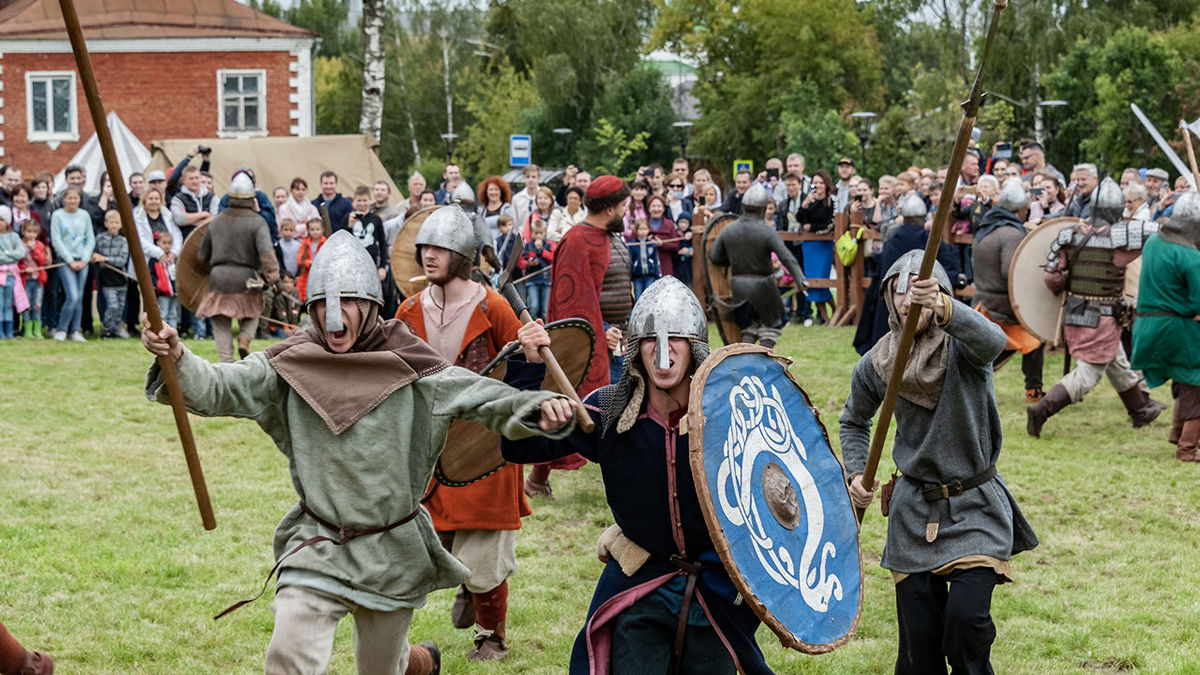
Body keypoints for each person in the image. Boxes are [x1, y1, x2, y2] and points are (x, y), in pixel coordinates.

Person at [141, 228, 577, 675]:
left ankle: (419, 665)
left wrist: (536, 405)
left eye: (348, 301)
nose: (335, 316)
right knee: (289, 653)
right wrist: (176, 358)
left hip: (392, 550)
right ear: (310, 308)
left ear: (369, 305)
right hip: (318, 543)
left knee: (381, 667)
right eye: (324, 304)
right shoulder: (290, 363)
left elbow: (483, 396)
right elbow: (219, 386)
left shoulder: (413, 364)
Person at [501, 277, 770, 674]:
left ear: (695, 347)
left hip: (715, 590)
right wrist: (528, 370)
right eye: (651, 340)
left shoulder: (730, 415)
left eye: (676, 338)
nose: (663, 351)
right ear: (635, 349)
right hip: (640, 581)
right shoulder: (608, 412)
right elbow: (518, 447)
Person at [841, 251, 1039, 675]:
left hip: (975, 506)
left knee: (967, 623)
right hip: (912, 510)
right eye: (901, 290)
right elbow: (854, 421)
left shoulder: (965, 349)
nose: (909, 298)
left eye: (922, 290)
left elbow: (994, 341)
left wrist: (947, 309)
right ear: (889, 298)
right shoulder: (879, 361)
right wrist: (857, 472)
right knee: (919, 648)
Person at [395, 206, 534, 661]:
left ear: (463, 255)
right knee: (427, 539)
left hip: (484, 444)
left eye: (440, 248)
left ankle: (490, 636)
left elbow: (527, 368)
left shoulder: (492, 306)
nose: (429, 256)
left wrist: (534, 346)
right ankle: (465, 587)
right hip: (430, 447)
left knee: (486, 549)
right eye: (425, 248)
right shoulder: (409, 309)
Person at [1027, 178, 1167, 437]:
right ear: (1117, 210)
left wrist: (1065, 282)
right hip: (1102, 317)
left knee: (1117, 361)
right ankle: (1042, 410)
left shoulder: (1069, 234)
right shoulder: (1120, 234)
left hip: (1076, 312)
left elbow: (1050, 276)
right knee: (1089, 373)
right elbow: (1158, 230)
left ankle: (1139, 411)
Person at [532, 175, 633, 497]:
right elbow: (574, 302)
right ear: (608, 209)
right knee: (574, 407)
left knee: (611, 407)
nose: (626, 213)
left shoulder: (608, 234)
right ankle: (537, 479)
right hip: (594, 340)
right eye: (623, 207)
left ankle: (538, 480)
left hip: (619, 335)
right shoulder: (577, 240)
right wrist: (600, 334)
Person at [1130, 191, 1200, 461]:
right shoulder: (1190, 256)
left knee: (1186, 379)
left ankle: (1177, 432)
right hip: (1174, 328)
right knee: (1196, 381)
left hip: (1147, 325)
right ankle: (1188, 448)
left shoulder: (1154, 242)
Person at [854, 192, 961, 356]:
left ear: (903, 215)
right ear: (923, 217)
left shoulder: (891, 243)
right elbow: (950, 266)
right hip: (920, 305)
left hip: (891, 308)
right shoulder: (930, 243)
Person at [194, 170, 280, 362]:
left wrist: (211, 270)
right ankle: (244, 338)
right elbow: (267, 254)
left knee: (221, 322)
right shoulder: (257, 222)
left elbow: (201, 256)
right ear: (251, 198)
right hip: (245, 278)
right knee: (254, 311)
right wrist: (274, 278)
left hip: (218, 278)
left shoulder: (216, 222)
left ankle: (226, 361)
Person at [972, 179, 1045, 401]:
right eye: (1025, 209)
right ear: (1018, 209)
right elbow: (1012, 272)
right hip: (1004, 306)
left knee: (1008, 345)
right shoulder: (1011, 233)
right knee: (1030, 340)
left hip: (984, 300)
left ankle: (1033, 388)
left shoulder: (986, 227)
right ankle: (1033, 390)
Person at [708, 182, 804, 349]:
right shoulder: (766, 231)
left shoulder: (729, 229)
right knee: (770, 327)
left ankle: (747, 362)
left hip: (738, 286)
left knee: (748, 328)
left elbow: (715, 257)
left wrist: (733, 259)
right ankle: (761, 360)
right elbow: (786, 256)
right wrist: (800, 278)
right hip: (763, 286)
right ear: (762, 208)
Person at [50, 186, 93, 342]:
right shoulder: (57, 215)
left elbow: (90, 238)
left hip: (83, 261)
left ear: (79, 199)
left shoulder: (84, 215)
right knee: (72, 295)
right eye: (70, 198)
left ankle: (75, 330)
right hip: (65, 261)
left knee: (79, 296)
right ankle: (62, 329)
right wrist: (70, 260)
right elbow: (57, 240)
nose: (73, 201)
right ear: (64, 199)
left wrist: (84, 259)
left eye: (75, 198)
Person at [797, 169, 837, 325]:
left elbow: (829, 225)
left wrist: (811, 227)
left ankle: (834, 311)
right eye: (816, 183)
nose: (818, 186)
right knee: (812, 283)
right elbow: (799, 218)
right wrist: (805, 203)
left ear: (826, 184)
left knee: (822, 281)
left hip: (823, 246)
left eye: (821, 182)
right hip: (809, 246)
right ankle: (825, 318)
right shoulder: (810, 201)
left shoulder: (831, 201)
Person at [93, 210, 131, 338]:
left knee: (120, 307)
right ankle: (107, 329)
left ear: (121, 225)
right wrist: (94, 257)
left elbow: (122, 260)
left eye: (117, 222)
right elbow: (94, 254)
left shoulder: (123, 241)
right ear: (106, 223)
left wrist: (105, 259)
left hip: (121, 279)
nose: (114, 225)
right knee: (112, 305)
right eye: (111, 222)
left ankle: (116, 329)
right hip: (107, 280)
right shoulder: (100, 239)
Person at [347, 186, 389, 285]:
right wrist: (349, 226)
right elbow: (343, 242)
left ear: (370, 200)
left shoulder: (376, 219)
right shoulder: (348, 218)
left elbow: (383, 244)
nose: (362, 203)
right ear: (354, 201)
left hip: (371, 263)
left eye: (365, 200)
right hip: (352, 263)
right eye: (359, 200)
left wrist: (382, 266)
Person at [18, 219, 47, 338]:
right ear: (23, 232)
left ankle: (37, 330)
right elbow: (17, 262)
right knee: (27, 306)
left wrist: (34, 249)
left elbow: (42, 261)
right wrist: (24, 268)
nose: (31, 235)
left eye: (34, 232)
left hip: (37, 280)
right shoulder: (19, 245)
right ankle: (28, 331)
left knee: (37, 305)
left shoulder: (39, 245)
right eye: (29, 231)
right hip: (25, 280)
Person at [520, 220, 554, 320]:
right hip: (532, 281)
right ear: (532, 233)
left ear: (545, 233)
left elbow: (554, 258)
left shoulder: (549, 244)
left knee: (544, 310)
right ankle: (529, 325)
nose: (538, 235)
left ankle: (545, 330)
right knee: (534, 306)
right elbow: (521, 261)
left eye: (541, 233)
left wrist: (541, 250)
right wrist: (529, 264)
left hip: (546, 280)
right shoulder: (528, 245)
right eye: (536, 233)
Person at [0, 209, 26, 339]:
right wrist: (11, 253)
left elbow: (21, 253)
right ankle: (1, 332)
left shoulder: (14, 237)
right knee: (0, 304)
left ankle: (9, 331)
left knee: (9, 304)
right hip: (1, 275)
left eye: (2, 219)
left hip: (12, 276)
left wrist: (7, 253)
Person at [149, 231, 179, 329]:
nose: (167, 246)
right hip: (163, 291)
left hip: (174, 291)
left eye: (169, 243)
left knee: (173, 313)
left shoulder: (173, 259)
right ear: (158, 243)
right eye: (164, 243)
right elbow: (151, 274)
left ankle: (173, 333)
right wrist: (156, 284)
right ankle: (163, 332)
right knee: (163, 313)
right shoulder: (154, 259)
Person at [628, 219, 660, 299]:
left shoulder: (652, 244)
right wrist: (630, 277)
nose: (643, 231)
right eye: (640, 229)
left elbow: (656, 261)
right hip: (637, 277)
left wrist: (657, 276)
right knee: (638, 297)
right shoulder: (632, 245)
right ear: (636, 230)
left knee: (649, 297)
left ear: (648, 230)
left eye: (645, 229)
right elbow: (630, 262)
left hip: (650, 276)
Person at [296, 218, 326, 302]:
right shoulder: (305, 243)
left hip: (321, 274)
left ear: (322, 229)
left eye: (317, 229)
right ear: (308, 230)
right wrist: (309, 263)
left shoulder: (325, 242)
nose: (315, 232)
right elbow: (299, 260)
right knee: (305, 296)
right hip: (307, 273)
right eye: (312, 229)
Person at [476, 176, 514, 241]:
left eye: (496, 189)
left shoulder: (507, 209)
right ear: (486, 192)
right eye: (491, 190)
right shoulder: (481, 210)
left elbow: (511, 229)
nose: (493, 192)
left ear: (501, 192)